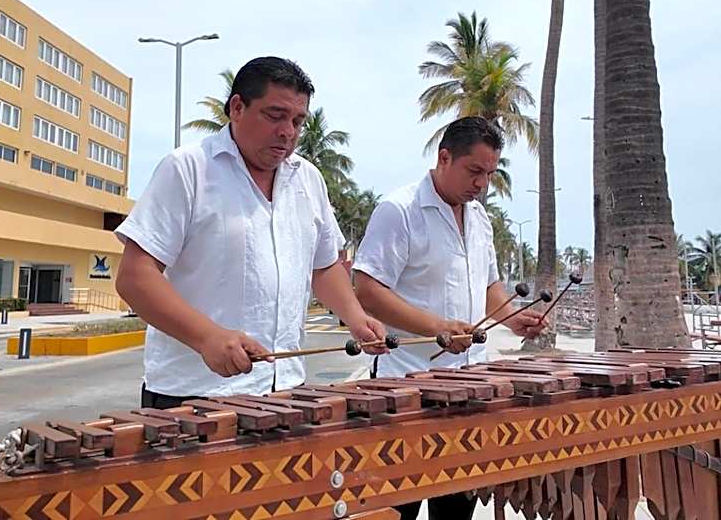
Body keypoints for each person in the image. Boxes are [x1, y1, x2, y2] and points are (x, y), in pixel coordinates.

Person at [115, 56, 387, 409]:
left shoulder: (308, 179)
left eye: (297, 121)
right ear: (238, 108)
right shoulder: (188, 169)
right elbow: (135, 277)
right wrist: (207, 338)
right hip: (194, 394)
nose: (288, 131)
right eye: (275, 116)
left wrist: (354, 316)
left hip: (287, 388)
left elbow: (324, 266)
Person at [353, 116, 546, 520]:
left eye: (490, 174)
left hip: (469, 386)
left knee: (456, 509)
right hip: (405, 389)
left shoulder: (480, 218)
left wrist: (511, 317)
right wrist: (437, 329)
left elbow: (489, 283)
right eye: (474, 171)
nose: (482, 184)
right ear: (444, 158)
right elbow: (367, 290)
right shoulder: (399, 209)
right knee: (397, 507)